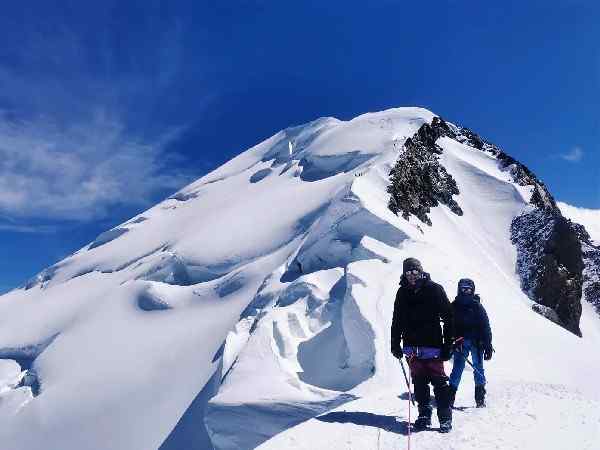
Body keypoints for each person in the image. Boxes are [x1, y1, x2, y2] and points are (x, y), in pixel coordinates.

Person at [391, 257, 455, 433]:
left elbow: (449, 318)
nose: (412, 275)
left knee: (440, 383)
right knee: (419, 383)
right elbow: (397, 320)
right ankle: (424, 414)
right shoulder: (402, 292)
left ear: (421, 271)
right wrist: (395, 343)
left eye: (414, 271)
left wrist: (448, 345)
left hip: (433, 345)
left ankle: (445, 418)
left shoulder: (434, 289)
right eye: (408, 272)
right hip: (411, 347)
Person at [448, 278, 493, 408]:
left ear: (472, 290)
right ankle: (450, 397)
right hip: (460, 343)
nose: (465, 291)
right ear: (459, 289)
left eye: (468, 289)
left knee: (478, 369)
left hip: (476, 343)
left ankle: (480, 398)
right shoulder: (454, 305)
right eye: (463, 289)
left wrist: (488, 345)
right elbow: (449, 325)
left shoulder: (477, 307)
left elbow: (485, 326)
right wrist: (451, 341)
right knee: (457, 369)